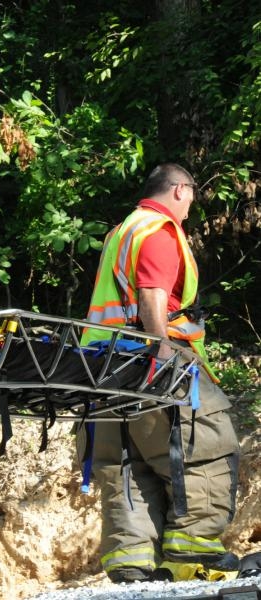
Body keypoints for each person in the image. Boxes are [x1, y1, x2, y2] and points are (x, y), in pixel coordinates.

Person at [79, 163, 240, 583]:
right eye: (191, 199)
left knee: (127, 463)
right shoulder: (159, 232)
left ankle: (130, 561)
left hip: (103, 367)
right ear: (180, 191)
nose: (190, 211)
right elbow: (152, 295)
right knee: (205, 445)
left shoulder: (122, 231)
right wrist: (162, 354)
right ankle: (195, 548)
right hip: (151, 358)